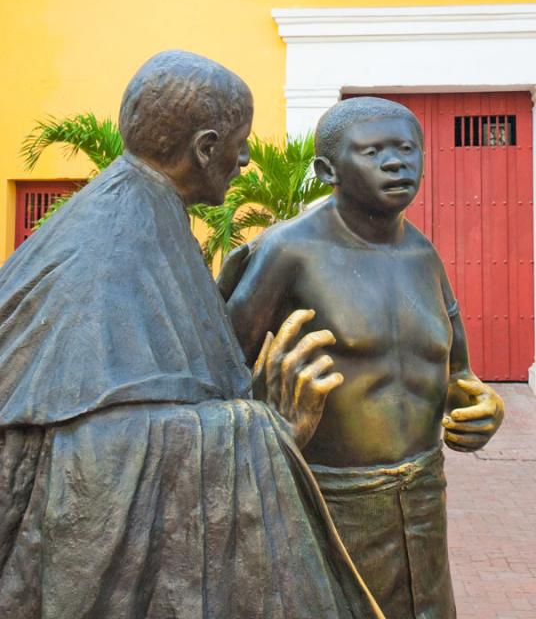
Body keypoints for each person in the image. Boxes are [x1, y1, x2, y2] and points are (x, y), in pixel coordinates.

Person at [0, 53, 383, 619]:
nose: (247, 159)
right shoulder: (114, 240)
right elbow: (90, 456)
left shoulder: (141, 208)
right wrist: (263, 429)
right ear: (205, 148)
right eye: (240, 142)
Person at [220, 96, 505, 619]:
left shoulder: (423, 256)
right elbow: (215, 375)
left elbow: (459, 375)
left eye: (407, 149)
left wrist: (487, 406)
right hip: (329, 506)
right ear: (328, 169)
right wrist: (267, 415)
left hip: (423, 501)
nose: (397, 163)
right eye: (373, 151)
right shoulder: (287, 253)